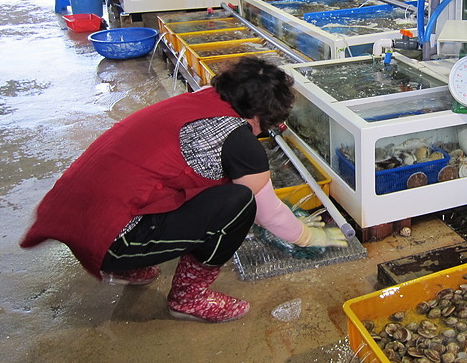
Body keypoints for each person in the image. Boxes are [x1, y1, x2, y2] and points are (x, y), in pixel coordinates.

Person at [20, 57, 347, 323]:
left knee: (195, 192)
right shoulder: (239, 139)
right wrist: (308, 236)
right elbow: (267, 212)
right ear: (260, 115)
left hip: (78, 220)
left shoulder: (197, 100)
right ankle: (188, 299)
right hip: (110, 240)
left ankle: (129, 267)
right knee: (238, 203)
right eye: (273, 122)